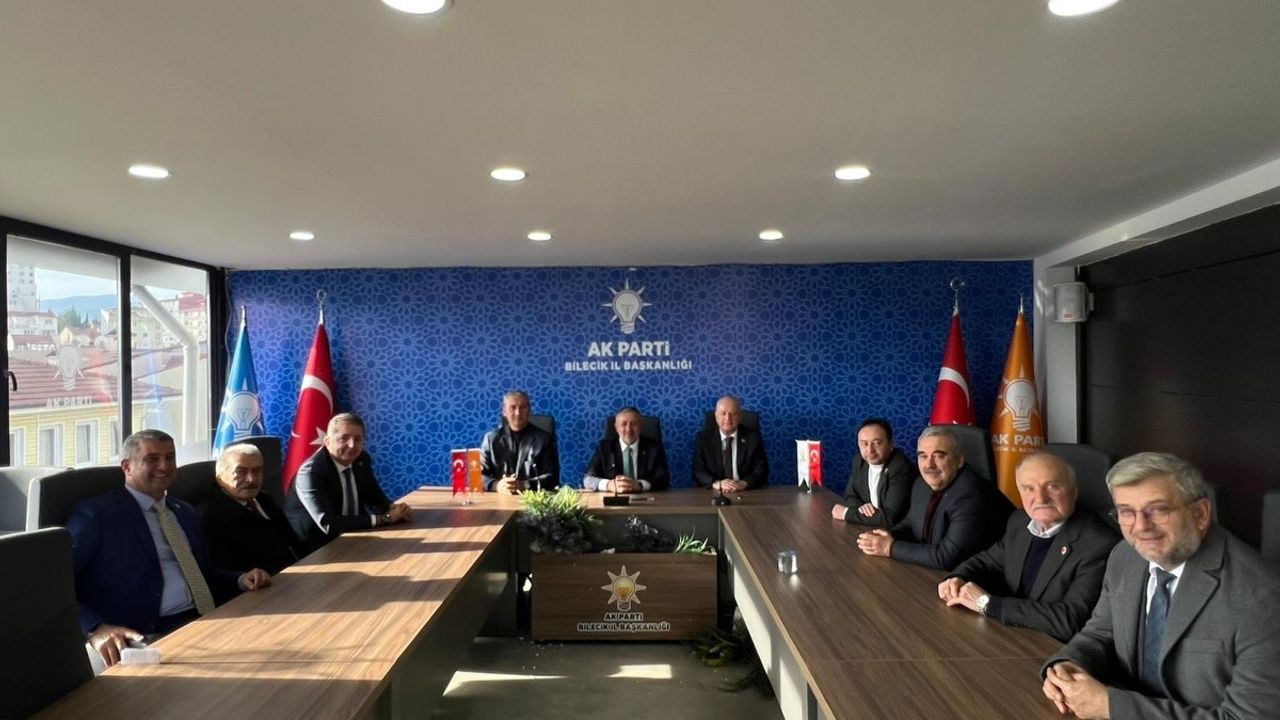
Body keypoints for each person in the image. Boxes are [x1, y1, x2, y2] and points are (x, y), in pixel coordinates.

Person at [1042, 452, 1280, 719]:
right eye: (1126, 512)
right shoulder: (1125, 557)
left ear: (1200, 513)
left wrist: (1112, 707)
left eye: (1157, 510)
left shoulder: (1264, 597)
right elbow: (1101, 633)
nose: (1140, 527)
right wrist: (1067, 667)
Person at [68, 429, 271, 667]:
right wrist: (94, 628)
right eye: (152, 459)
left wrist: (240, 579)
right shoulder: (97, 515)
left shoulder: (184, 511)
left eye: (170, 458)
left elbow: (203, 573)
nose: (164, 466)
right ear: (127, 467)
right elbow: (58, 586)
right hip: (144, 636)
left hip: (205, 620)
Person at [938, 452, 1119, 641]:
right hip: (1014, 636)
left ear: (1073, 491)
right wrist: (957, 579)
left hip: (1052, 649)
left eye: (1052, 486)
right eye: (1029, 488)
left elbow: (1068, 621)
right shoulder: (1020, 521)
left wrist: (987, 604)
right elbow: (986, 562)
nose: (1040, 498)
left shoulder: (1099, 545)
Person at [856, 425, 1012, 570]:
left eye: (939, 456)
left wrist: (889, 547)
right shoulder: (921, 484)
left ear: (959, 460)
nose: (929, 465)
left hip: (983, 580)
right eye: (923, 456)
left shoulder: (971, 496)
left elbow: (946, 557)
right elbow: (911, 522)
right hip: (936, 575)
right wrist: (888, 535)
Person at [284, 412, 412, 551]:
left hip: (356, 537)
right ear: (327, 441)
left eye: (358, 439)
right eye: (344, 438)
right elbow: (328, 523)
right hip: (316, 548)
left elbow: (375, 499)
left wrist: (395, 509)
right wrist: (385, 519)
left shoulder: (361, 460)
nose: (352, 445)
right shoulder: (311, 472)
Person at [201, 443, 304, 575]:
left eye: (257, 471)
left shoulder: (265, 500)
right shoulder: (211, 517)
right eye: (240, 472)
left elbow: (295, 544)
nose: (251, 479)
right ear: (220, 479)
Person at [831, 418, 915, 527]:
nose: (870, 450)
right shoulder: (859, 461)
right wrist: (862, 507)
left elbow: (890, 518)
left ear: (891, 444)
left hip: (895, 532)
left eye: (877, 443)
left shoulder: (901, 468)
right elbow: (849, 496)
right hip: (870, 527)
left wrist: (846, 513)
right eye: (864, 444)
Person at [479, 390, 560, 493]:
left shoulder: (544, 439)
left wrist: (524, 485)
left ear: (529, 410)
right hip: (500, 498)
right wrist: (497, 485)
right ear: (504, 411)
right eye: (513, 407)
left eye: (523, 407)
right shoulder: (491, 439)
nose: (518, 413)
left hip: (532, 498)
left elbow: (552, 477)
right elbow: (478, 475)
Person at [583, 406, 670, 492]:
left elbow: (664, 480)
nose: (628, 429)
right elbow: (588, 479)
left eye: (634, 424)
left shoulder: (654, 448)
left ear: (641, 426)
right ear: (616, 427)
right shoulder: (604, 448)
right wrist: (608, 485)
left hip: (646, 498)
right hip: (613, 498)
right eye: (624, 424)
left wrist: (640, 485)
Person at [692, 395, 769, 492]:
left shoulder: (753, 438)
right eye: (723, 413)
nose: (728, 418)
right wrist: (716, 483)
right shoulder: (703, 439)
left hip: (745, 491)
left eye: (733, 414)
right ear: (716, 416)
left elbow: (762, 470)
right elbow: (698, 471)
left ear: (740, 417)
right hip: (714, 492)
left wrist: (744, 483)